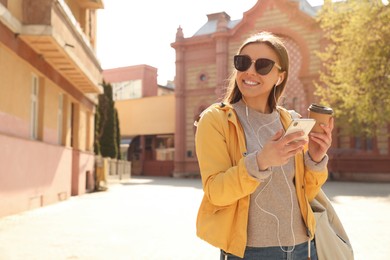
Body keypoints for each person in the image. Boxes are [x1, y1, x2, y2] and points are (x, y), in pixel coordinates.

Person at [194, 31, 334, 259]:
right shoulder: (216, 119)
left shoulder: (290, 120)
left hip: (303, 248)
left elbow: (304, 192)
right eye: (242, 63)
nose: (249, 71)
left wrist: (316, 160)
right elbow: (215, 192)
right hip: (251, 252)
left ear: (280, 76)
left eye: (263, 65)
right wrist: (260, 161)